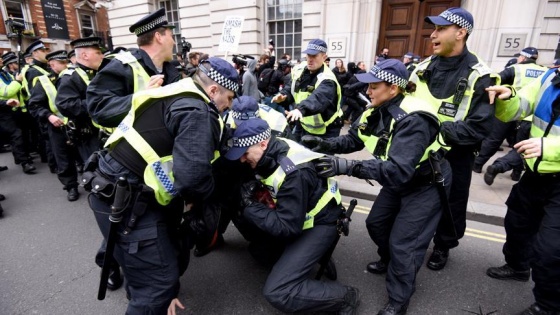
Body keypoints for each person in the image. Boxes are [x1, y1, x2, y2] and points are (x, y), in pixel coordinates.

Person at [87, 57, 238, 315]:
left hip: (107, 188)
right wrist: (201, 203)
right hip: (130, 202)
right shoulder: (198, 110)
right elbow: (193, 178)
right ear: (214, 90)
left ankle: (136, 290)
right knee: (158, 285)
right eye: (230, 98)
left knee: (141, 270)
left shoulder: (173, 91)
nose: (229, 105)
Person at [303, 59, 449, 315]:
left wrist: (347, 167)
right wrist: (321, 144)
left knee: (405, 242)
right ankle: (392, 260)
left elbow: (399, 169)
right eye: (368, 86)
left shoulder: (414, 119)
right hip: (397, 181)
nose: (368, 91)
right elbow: (352, 140)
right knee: (376, 224)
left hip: (422, 184)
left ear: (393, 89)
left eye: (374, 86)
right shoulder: (375, 110)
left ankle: (399, 299)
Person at [223, 117, 359, 314]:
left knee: (278, 291)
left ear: (262, 143)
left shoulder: (294, 172)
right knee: (260, 252)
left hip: (321, 223)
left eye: (245, 153)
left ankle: (345, 296)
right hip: (303, 214)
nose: (243, 159)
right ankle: (310, 258)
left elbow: (287, 227)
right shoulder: (273, 146)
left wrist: (250, 206)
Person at [412, 7, 498, 271]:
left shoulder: (481, 75)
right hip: (420, 150)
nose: (432, 35)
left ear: (461, 33)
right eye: (433, 29)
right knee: (412, 198)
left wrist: (434, 128)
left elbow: (479, 128)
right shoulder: (421, 68)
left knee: (452, 203)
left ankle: (443, 245)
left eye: (440, 29)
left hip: (456, 154)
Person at [485, 67, 560, 315]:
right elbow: (523, 104)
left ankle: (548, 306)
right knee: (517, 223)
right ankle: (517, 268)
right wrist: (509, 96)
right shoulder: (550, 76)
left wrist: (549, 147)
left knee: (550, 249)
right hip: (536, 173)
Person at [86, 7, 181, 128]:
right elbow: (99, 109)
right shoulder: (122, 66)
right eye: (171, 36)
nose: (174, 42)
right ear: (159, 37)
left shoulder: (171, 70)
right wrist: (143, 97)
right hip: (133, 145)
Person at [477, 47, 548, 184]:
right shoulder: (546, 72)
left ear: (522, 57)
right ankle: (516, 174)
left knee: (494, 139)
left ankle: (478, 164)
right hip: (531, 118)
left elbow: (496, 80)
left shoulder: (516, 68)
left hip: (511, 110)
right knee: (522, 147)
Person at [27, 50, 81, 201]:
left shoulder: (74, 75)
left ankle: (93, 181)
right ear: (52, 64)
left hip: (78, 123)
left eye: (66, 62)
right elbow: (35, 106)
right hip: (58, 126)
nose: (66, 65)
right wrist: (48, 116)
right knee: (63, 158)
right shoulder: (43, 81)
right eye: (62, 63)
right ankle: (71, 186)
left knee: (85, 153)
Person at [272, 39, 343, 139]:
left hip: (327, 129)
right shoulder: (300, 69)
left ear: (324, 57)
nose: (310, 59)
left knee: (318, 155)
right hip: (303, 124)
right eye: (308, 55)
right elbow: (291, 88)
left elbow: (317, 98)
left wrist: (300, 109)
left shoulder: (328, 79)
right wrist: (284, 96)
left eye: (314, 56)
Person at [56, 37, 107, 163]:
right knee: (97, 171)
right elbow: (65, 105)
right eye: (98, 53)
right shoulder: (70, 77)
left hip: (105, 131)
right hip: (89, 135)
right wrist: (98, 103)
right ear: (84, 55)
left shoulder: (98, 72)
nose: (102, 56)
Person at [0, 52, 36, 174]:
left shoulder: (4, 74)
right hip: (4, 111)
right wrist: (18, 81)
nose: (1, 60)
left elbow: (17, 90)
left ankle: (20, 157)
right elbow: (8, 92)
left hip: (16, 109)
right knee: (16, 135)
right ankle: (24, 162)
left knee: (20, 135)